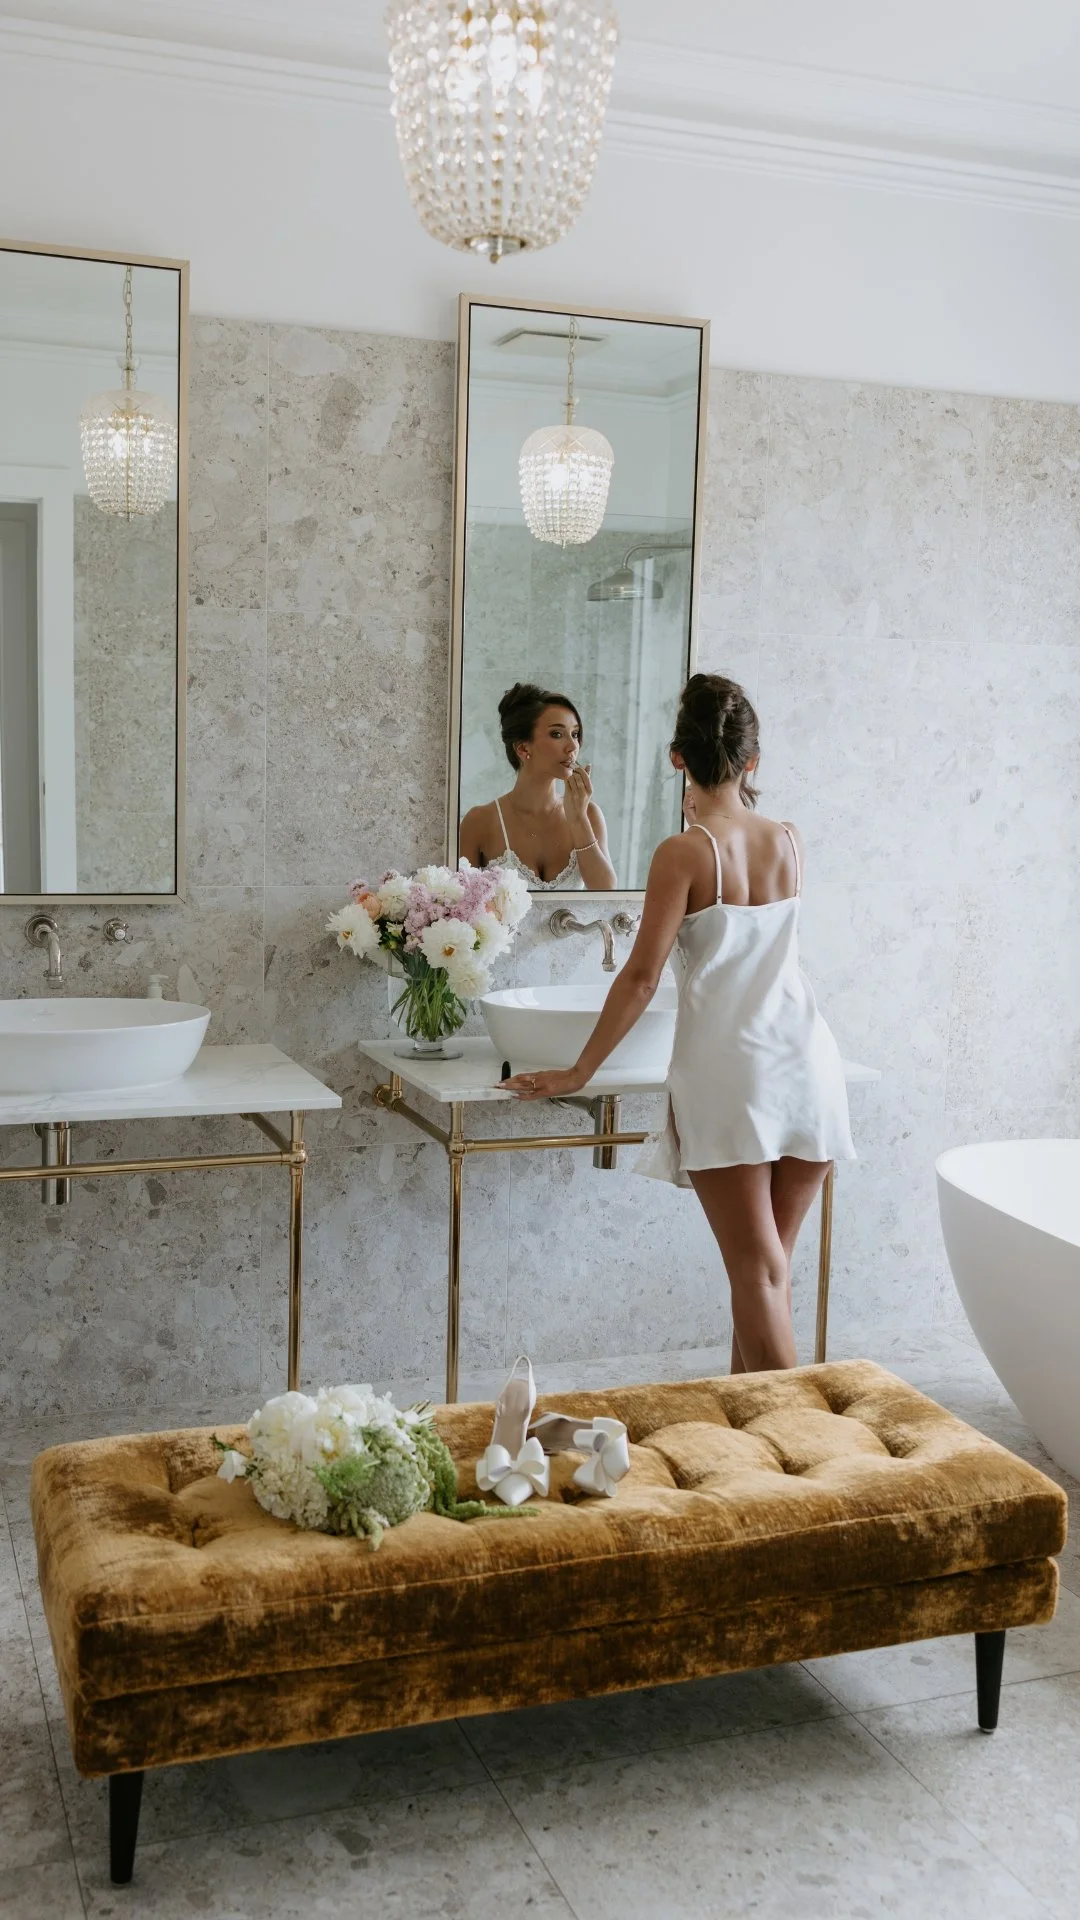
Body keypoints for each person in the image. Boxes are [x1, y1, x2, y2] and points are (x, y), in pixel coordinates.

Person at [505, 672, 855, 1372]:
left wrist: (580, 1071)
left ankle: (807, 1450)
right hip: (810, 1061)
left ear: (676, 759)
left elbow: (640, 978)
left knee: (757, 1278)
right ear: (752, 760)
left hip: (735, 1074)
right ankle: (752, 1443)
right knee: (769, 1276)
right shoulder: (789, 839)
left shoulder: (685, 852)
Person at [460, 682, 617, 890]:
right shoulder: (480, 822)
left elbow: (606, 895)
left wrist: (578, 820)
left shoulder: (590, 815)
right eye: (557, 734)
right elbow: (460, 906)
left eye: (575, 734)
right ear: (523, 748)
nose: (573, 747)